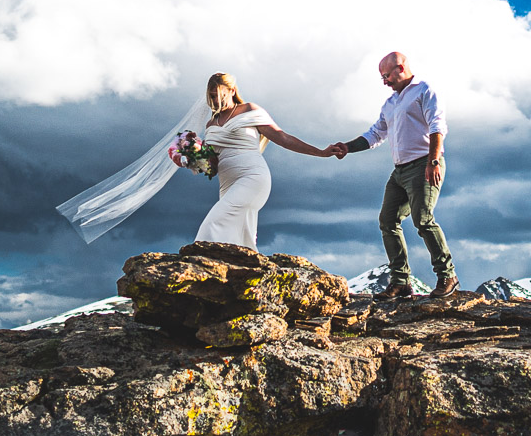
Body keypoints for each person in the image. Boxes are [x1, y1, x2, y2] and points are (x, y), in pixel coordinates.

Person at [326, 52, 456, 300]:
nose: (384, 81)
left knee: (423, 219)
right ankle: (401, 281)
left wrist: (434, 161)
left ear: (400, 67)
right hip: (399, 171)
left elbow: (438, 126)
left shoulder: (424, 90)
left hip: (423, 164)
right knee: (387, 220)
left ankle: (447, 275)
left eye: (386, 76)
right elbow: (376, 134)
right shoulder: (390, 104)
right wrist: (347, 147)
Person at [166, 72, 338, 250]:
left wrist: (321, 152)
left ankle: (196, 270)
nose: (215, 100)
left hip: (252, 177)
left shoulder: (249, 110)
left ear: (232, 90)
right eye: (211, 96)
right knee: (234, 240)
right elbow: (212, 168)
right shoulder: (210, 125)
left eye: (218, 95)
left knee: (212, 225)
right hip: (227, 186)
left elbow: (283, 138)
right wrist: (194, 156)